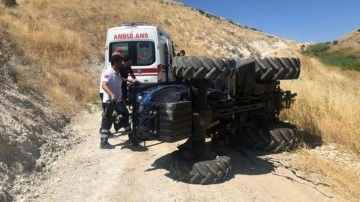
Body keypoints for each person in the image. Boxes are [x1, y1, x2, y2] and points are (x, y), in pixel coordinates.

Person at [99, 54, 131, 149]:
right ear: (115, 63)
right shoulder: (108, 72)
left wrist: (128, 80)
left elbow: (118, 79)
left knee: (125, 116)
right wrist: (112, 94)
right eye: (120, 62)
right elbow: (104, 85)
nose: (122, 63)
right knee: (107, 120)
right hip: (110, 101)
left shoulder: (116, 72)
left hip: (118, 101)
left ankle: (131, 136)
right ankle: (103, 142)